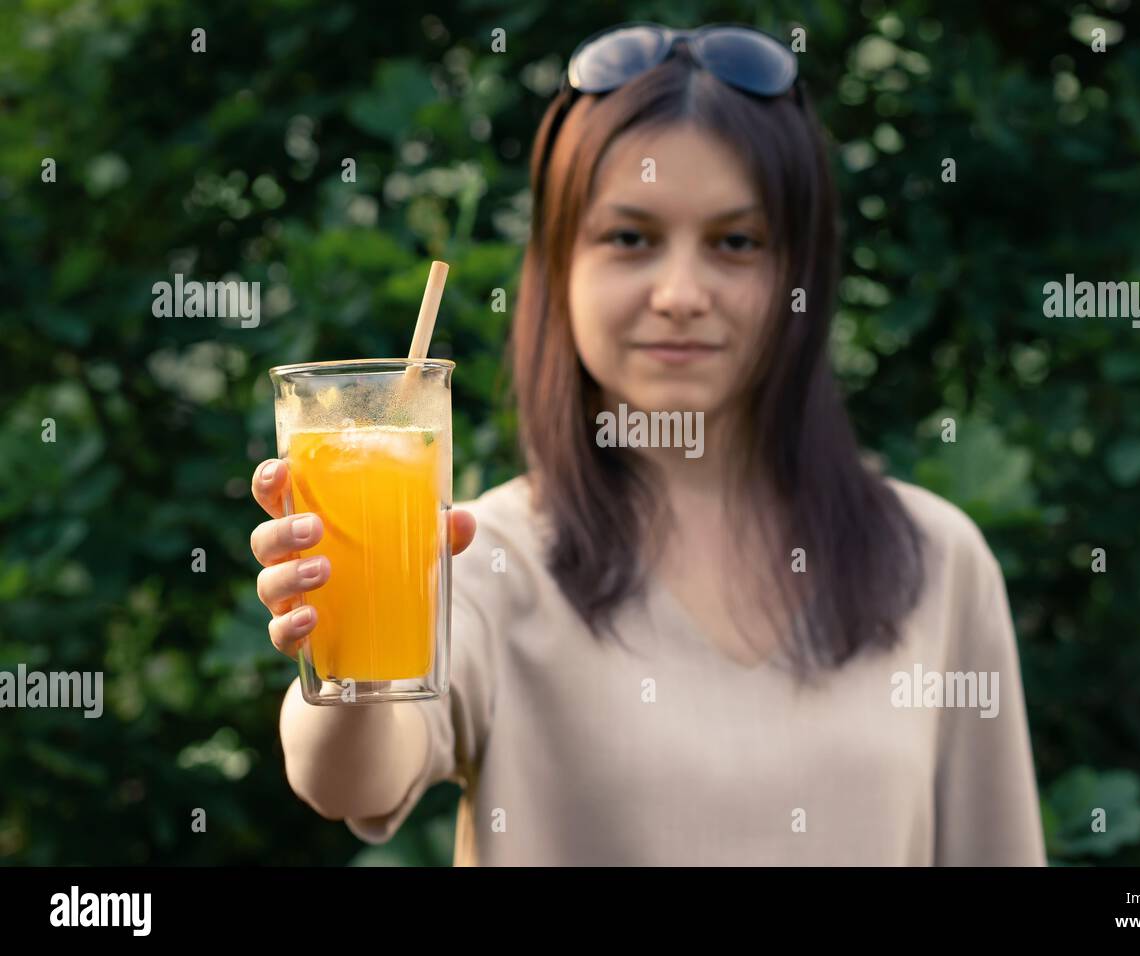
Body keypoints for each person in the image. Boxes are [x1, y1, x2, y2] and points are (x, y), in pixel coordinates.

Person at [249, 22, 1046, 866]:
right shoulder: (483, 556)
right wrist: (334, 630)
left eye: (736, 243)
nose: (680, 293)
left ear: (798, 276)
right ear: (559, 266)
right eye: (629, 238)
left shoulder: (936, 562)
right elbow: (352, 784)